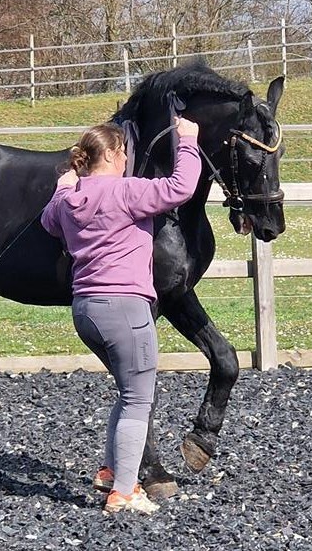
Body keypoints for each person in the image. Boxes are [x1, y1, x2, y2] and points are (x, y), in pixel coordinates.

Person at [41, 115, 201, 514]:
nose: (128, 159)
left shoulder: (69, 201)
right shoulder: (126, 191)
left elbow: (48, 221)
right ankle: (125, 492)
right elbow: (181, 187)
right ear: (112, 154)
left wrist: (62, 189)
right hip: (125, 309)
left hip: (86, 311)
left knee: (127, 392)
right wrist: (188, 141)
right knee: (138, 399)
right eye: (124, 152)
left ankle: (113, 470)